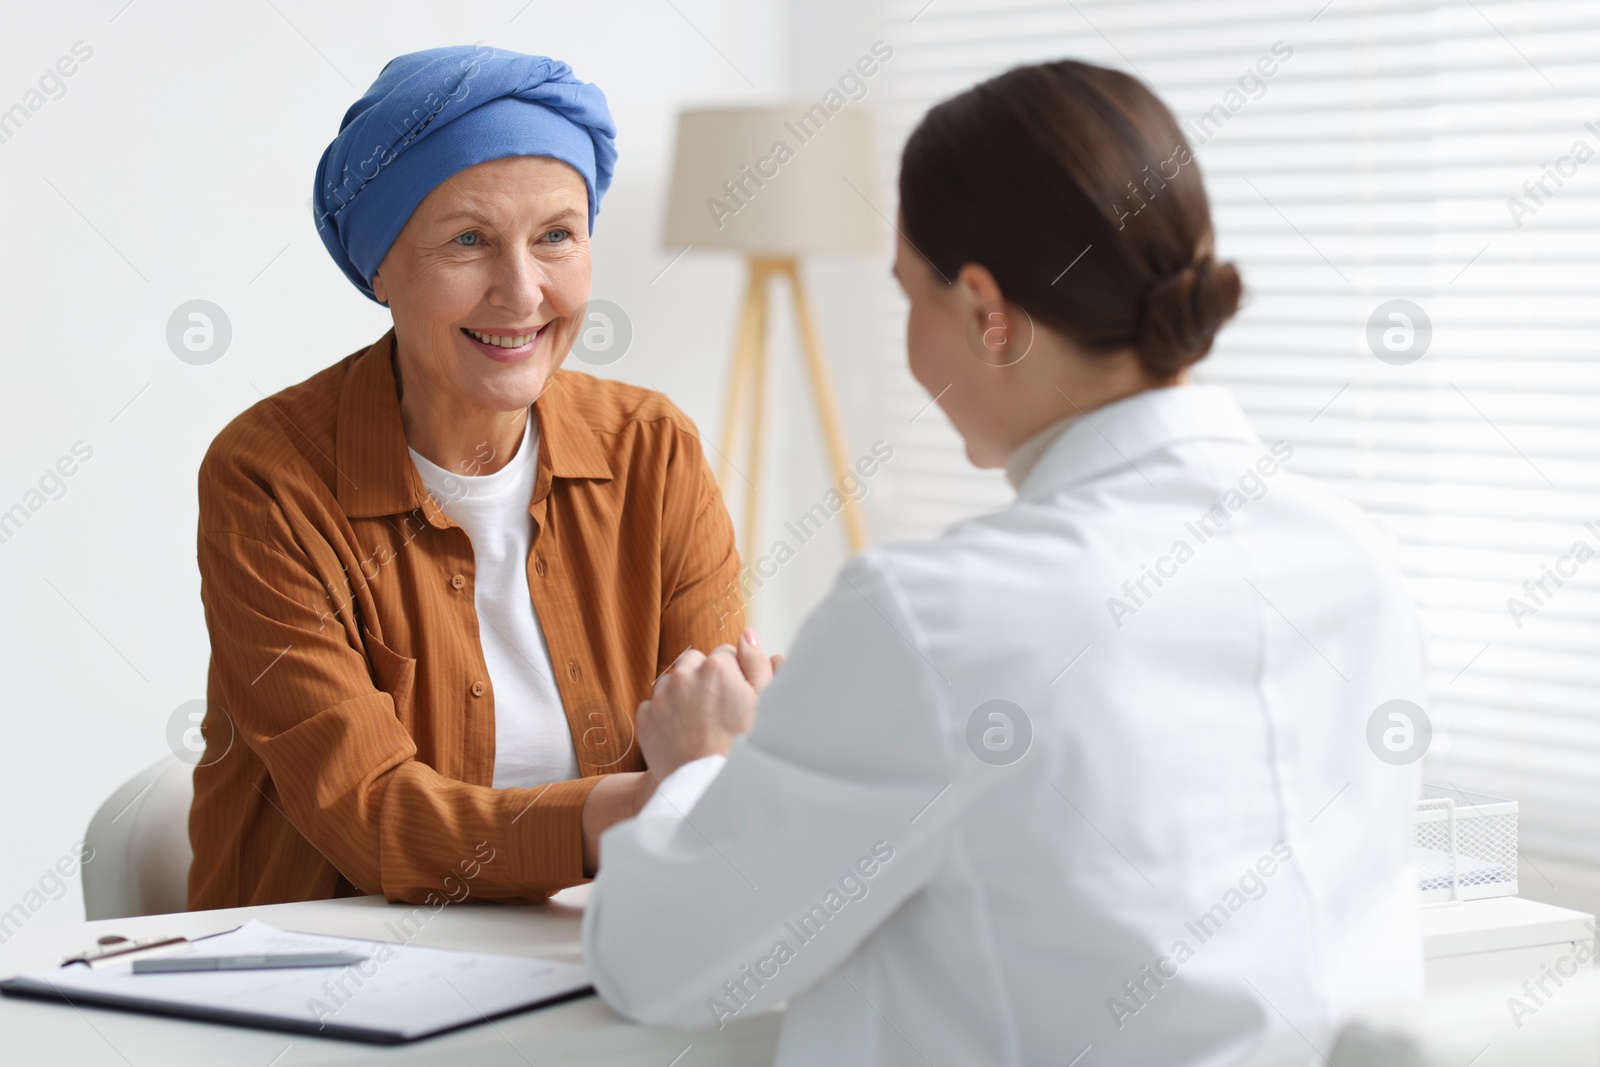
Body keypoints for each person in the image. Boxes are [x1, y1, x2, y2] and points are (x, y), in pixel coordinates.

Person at [583, 59, 1427, 1065]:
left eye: (908, 295)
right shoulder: (1357, 558)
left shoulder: (935, 615)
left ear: (985, 309)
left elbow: (660, 963)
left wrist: (703, 767)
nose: (906, 341)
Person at [188, 45, 742, 909]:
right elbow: (374, 817)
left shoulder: (653, 449)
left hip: (590, 961)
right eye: (469, 242)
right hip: (319, 987)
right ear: (382, 268)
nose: (522, 293)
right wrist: (646, 805)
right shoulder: (269, 479)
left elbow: (718, 741)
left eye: (557, 236)